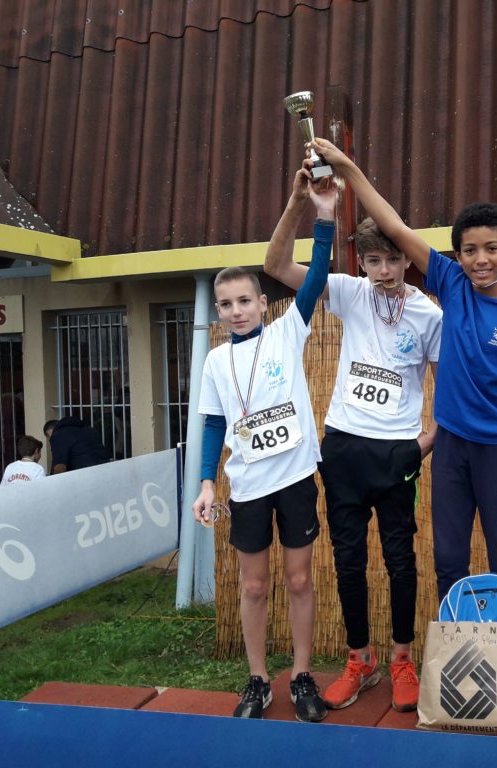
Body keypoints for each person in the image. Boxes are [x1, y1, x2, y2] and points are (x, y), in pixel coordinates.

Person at [309, 137, 497, 609]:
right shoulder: (451, 284)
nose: (480, 259)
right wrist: (348, 167)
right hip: (452, 448)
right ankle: (455, 674)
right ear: (457, 257)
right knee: (449, 561)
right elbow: (391, 222)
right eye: (469, 250)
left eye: (491, 248)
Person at [264, 168, 442, 713]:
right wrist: (299, 201)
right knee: (347, 560)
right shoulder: (346, 292)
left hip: (397, 454)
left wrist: (422, 445)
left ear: (407, 259)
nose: (384, 270)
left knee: (400, 560)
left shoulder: (428, 312)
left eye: (392, 259)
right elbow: (274, 267)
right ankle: (359, 659)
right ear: (360, 262)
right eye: (373, 261)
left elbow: (447, 390)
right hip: (342, 446)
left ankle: (403, 659)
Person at [192, 164, 335, 723]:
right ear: (219, 311)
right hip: (248, 485)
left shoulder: (286, 331)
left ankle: (301, 675)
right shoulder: (215, 360)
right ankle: (257, 679)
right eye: (225, 304)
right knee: (254, 586)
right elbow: (210, 425)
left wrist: (320, 217)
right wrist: (208, 482)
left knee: (299, 579)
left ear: (262, 302)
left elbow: (317, 277)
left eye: (244, 300)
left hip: (296, 478)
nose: (235, 311)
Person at [42, 417, 111, 473]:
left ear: (51, 432)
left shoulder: (58, 435)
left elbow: (59, 467)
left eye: (49, 438)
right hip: (105, 469)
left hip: (84, 474)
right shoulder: (89, 429)